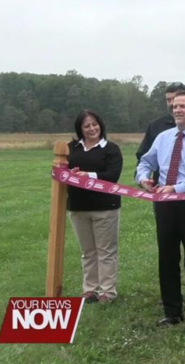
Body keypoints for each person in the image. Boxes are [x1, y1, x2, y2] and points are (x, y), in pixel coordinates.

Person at [136, 91, 185, 326]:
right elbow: (145, 162)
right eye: (175, 107)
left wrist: (176, 187)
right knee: (167, 258)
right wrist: (143, 179)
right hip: (166, 206)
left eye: (183, 106)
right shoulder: (162, 137)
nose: (177, 110)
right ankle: (172, 312)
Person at [67, 110, 123, 304]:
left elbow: (113, 175)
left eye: (95, 124)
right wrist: (70, 173)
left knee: (106, 251)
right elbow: (62, 171)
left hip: (105, 207)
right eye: (87, 126)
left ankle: (108, 292)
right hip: (78, 207)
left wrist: (88, 175)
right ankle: (89, 290)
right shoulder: (71, 148)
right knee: (88, 251)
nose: (92, 128)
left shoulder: (111, 149)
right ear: (80, 129)